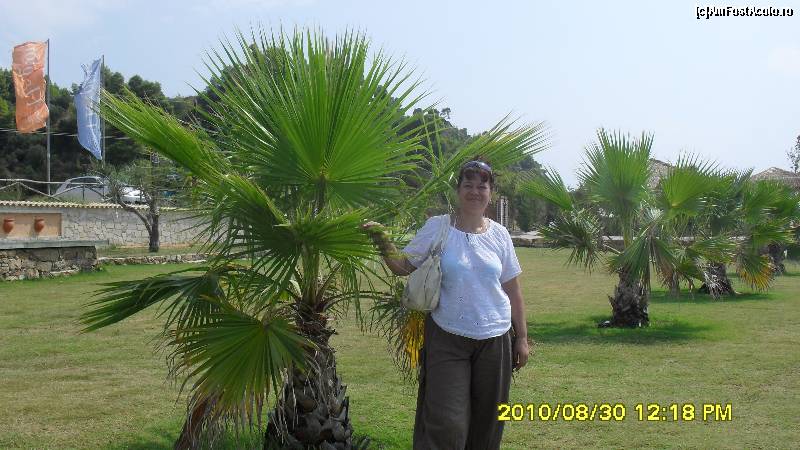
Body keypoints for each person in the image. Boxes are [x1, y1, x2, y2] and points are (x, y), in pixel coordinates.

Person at [362, 159, 529, 450]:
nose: (475, 191)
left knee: (488, 422)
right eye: (468, 185)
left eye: (482, 186)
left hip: (495, 338)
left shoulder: (500, 235)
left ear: (491, 193)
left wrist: (522, 338)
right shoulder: (438, 227)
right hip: (447, 337)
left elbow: (513, 290)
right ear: (458, 190)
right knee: (446, 421)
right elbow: (403, 266)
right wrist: (382, 240)